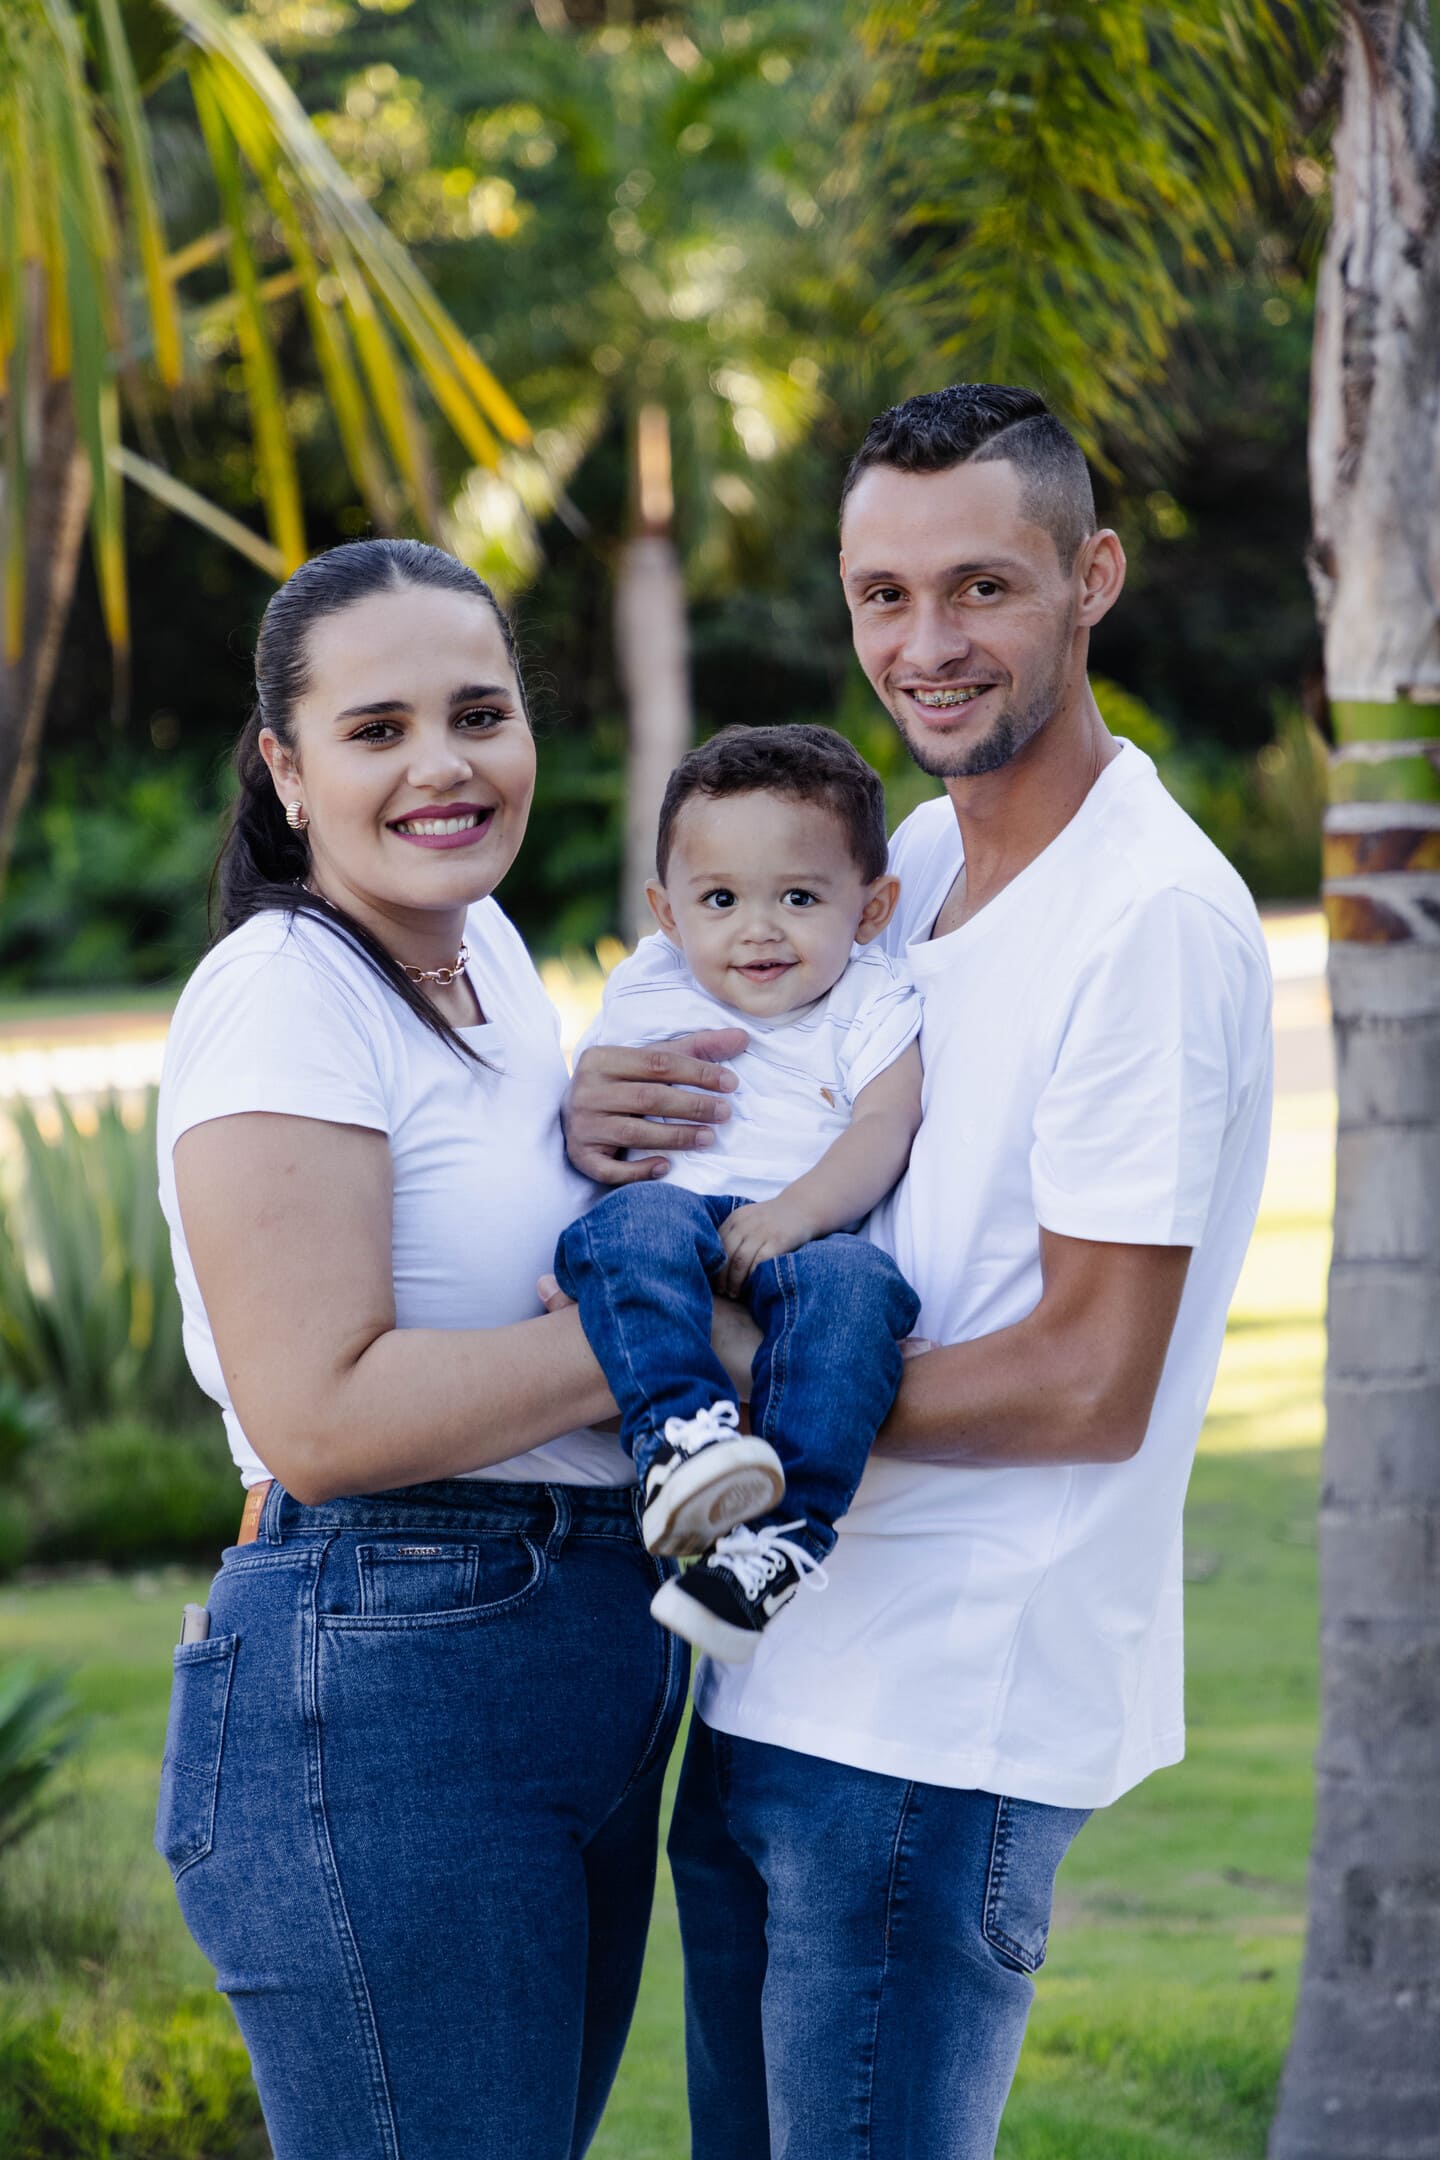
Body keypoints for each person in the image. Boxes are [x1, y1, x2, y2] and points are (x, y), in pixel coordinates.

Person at [562, 385, 1275, 2159]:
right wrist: (610, 1100)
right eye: (884, 595)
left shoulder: (1152, 923)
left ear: (1092, 577)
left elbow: (1088, 1377)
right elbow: (780, 1097)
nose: (927, 644)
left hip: (942, 1720)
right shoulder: (913, 861)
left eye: (982, 588)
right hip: (770, 1670)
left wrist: (722, 1394)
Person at [152, 537, 735, 2160]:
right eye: (378, 728)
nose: (444, 765)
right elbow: (320, 1414)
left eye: (480, 713)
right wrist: (673, 1332)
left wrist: (583, 1132)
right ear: (284, 767)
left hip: (572, 1649)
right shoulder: (283, 993)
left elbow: (469, 1251)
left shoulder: (480, 968)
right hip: (392, 1672)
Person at [554, 723, 923, 1663]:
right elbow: (591, 1111)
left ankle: (785, 1540)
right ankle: (685, 1436)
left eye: (799, 897)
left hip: (801, 1234)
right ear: (667, 913)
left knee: (860, 1296)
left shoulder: (873, 999)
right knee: (624, 1229)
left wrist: (799, 1211)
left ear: (872, 908)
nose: (757, 929)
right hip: (672, 1222)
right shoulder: (649, 980)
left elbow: (885, 1126)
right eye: (719, 899)